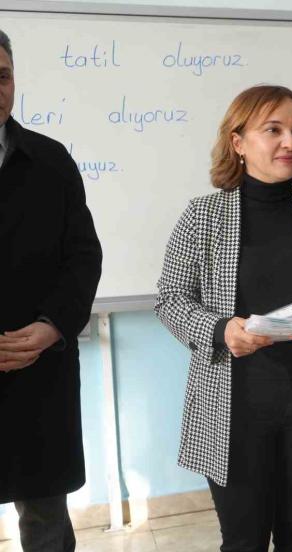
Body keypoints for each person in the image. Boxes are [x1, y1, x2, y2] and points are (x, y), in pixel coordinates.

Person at [155, 85, 292, 551]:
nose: (290, 142)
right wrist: (220, 329)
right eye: (274, 130)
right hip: (232, 412)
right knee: (243, 542)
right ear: (238, 141)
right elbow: (170, 298)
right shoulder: (203, 215)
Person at [0, 28, 103, 551]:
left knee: (45, 520)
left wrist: (52, 326)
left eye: (2, 76)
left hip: (39, 372)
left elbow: (83, 257)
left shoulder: (50, 160)